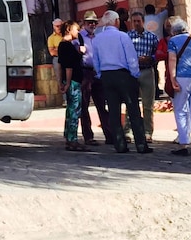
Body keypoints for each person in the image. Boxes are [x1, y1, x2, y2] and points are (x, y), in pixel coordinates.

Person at [90, 10, 151, 154]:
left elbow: (96, 60)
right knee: (133, 110)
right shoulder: (122, 36)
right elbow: (131, 58)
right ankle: (141, 145)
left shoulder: (97, 39)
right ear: (117, 21)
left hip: (106, 75)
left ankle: (119, 144)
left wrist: (100, 74)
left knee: (113, 111)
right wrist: (134, 74)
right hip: (123, 75)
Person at [168, 18, 191, 156]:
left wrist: (172, 79)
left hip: (182, 77)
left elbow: (172, 59)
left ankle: (183, 144)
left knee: (181, 110)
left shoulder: (173, 41)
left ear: (174, 31)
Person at [77, 10, 110, 145]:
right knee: (84, 106)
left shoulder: (98, 37)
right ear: (84, 23)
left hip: (97, 72)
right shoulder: (79, 37)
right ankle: (88, 136)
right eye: (89, 22)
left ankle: (110, 135)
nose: (92, 25)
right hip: (85, 72)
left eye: (94, 22)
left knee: (102, 105)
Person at [127, 10, 159, 141]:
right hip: (132, 72)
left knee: (148, 104)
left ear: (143, 22)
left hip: (147, 71)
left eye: (138, 21)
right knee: (130, 102)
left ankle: (147, 132)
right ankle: (128, 131)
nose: (136, 24)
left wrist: (150, 58)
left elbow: (158, 53)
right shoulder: (127, 37)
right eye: (134, 21)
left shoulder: (152, 37)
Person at [57, 21, 88, 151]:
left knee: (70, 109)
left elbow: (60, 65)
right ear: (69, 30)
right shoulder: (68, 46)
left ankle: (69, 137)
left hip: (69, 81)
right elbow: (68, 66)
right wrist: (68, 82)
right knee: (74, 110)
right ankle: (72, 139)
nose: (78, 32)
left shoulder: (62, 45)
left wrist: (60, 81)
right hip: (73, 81)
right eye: (76, 29)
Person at [47, 17, 64, 83]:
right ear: (54, 27)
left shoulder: (66, 35)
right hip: (58, 58)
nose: (59, 27)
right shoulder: (51, 38)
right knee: (59, 76)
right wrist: (63, 52)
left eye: (60, 26)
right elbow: (52, 52)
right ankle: (61, 87)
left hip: (68, 57)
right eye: (57, 26)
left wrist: (57, 49)